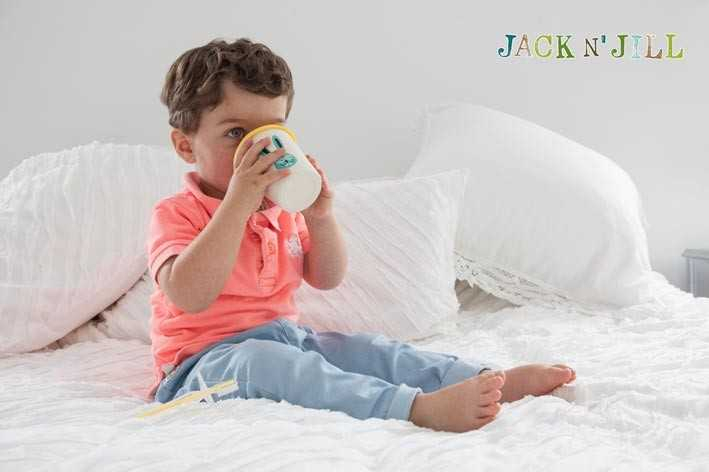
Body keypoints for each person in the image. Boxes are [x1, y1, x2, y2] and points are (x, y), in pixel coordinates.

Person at [146, 37, 576, 433]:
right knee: (267, 363)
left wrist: (319, 216)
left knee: (365, 350)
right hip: (201, 368)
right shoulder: (176, 213)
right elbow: (190, 295)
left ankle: (482, 378)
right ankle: (414, 408)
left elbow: (326, 277)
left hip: (286, 339)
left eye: (271, 134)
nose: (256, 152)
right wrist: (237, 204)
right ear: (185, 146)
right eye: (236, 134)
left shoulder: (280, 208)